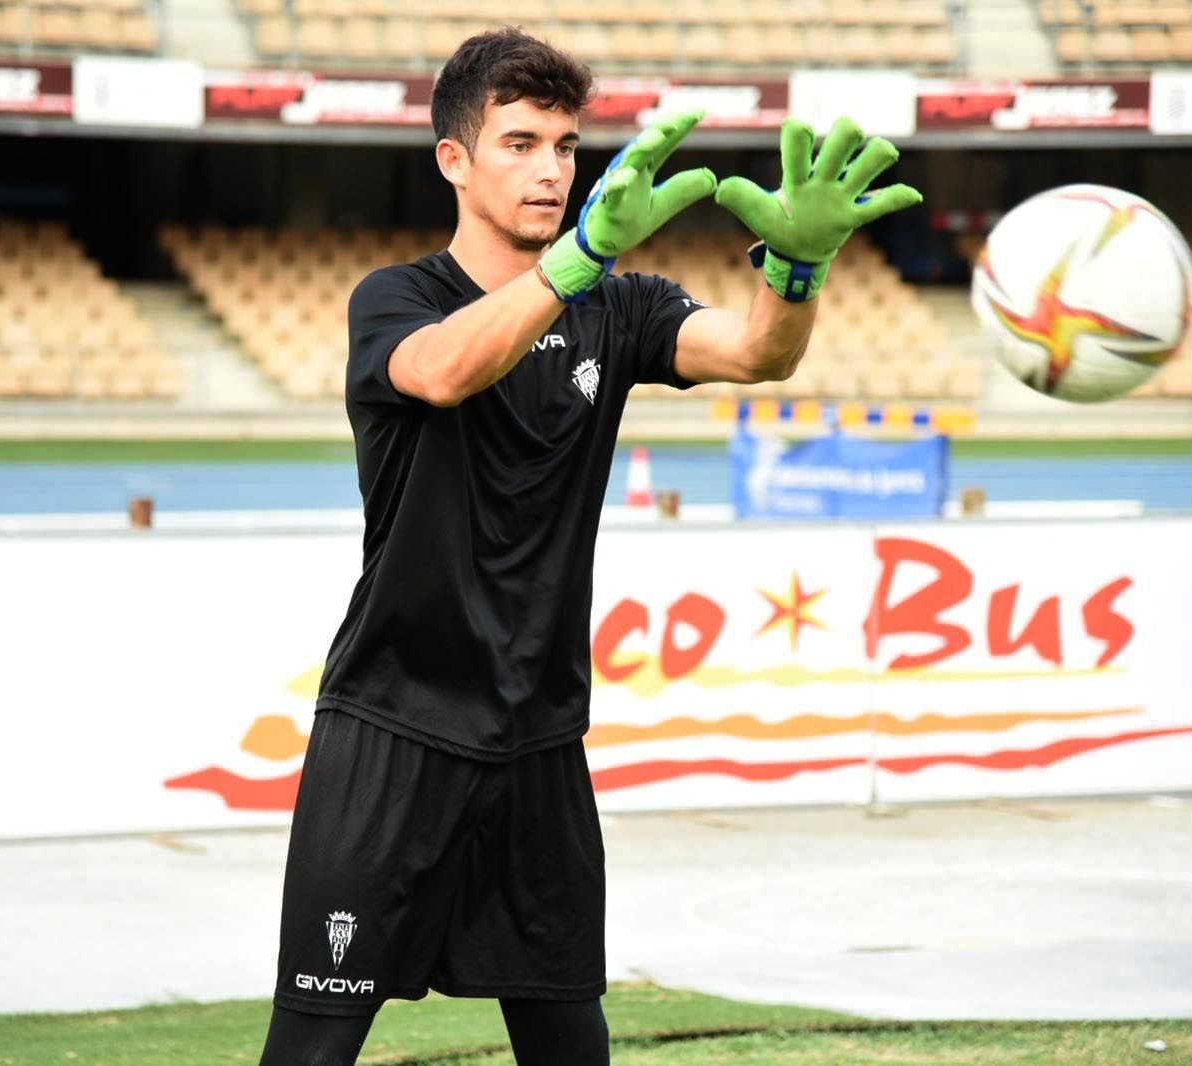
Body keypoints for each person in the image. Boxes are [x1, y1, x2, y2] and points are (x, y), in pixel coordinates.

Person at [258, 26, 922, 1066]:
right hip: (392, 723)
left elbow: (755, 353)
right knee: (311, 1050)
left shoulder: (618, 306)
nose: (550, 170)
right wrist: (575, 263)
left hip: (538, 740)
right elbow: (441, 372)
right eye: (518, 143)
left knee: (571, 1046)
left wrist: (795, 270)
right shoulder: (395, 299)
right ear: (453, 160)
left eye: (564, 146)